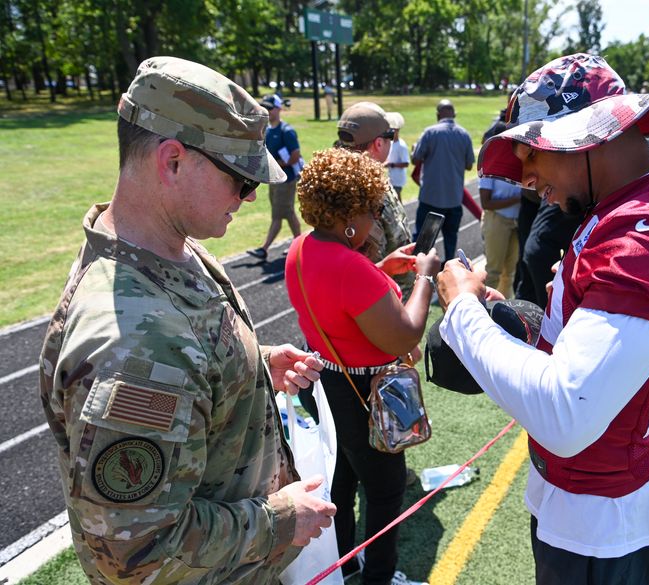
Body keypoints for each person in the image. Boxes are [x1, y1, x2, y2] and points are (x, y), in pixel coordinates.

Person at [38, 56, 334, 585]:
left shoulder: (165, 246)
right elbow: (135, 554)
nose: (250, 197)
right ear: (172, 161)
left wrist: (254, 365)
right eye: (242, 180)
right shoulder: (138, 350)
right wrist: (280, 522)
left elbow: (188, 361)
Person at [437, 53, 649, 585]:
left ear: (584, 139)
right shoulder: (625, 200)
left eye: (532, 154)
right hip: (585, 502)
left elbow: (567, 415)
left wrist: (462, 311)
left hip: (608, 521)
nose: (524, 177)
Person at [286, 148, 440, 585]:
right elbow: (405, 334)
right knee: (386, 490)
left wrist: (379, 269)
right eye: (373, 210)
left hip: (326, 384)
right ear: (351, 214)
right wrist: (425, 275)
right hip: (365, 395)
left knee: (343, 481)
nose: (376, 219)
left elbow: (337, 296)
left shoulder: (302, 246)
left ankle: (345, 565)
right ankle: (379, 577)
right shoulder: (352, 267)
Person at [336, 101, 414, 297]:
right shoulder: (366, 191)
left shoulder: (336, 179)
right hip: (382, 301)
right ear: (378, 143)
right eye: (389, 137)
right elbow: (368, 264)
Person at [412, 98, 475, 263]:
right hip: (453, 199)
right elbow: (469, 166)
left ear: (437, 115)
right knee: (450, 240)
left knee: (422, 243)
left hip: (431, 199)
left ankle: (418, 275)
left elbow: (416, 159)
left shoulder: (429, 132)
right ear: (454, 114)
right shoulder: (464, 134)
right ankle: (448, 269)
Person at [247, 94, 302, 260]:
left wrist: (276, 164)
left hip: (286, 179)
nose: (267, 111)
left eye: (270, 108)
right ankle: (298, 245)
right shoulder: (268, 130)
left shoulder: (287, 131)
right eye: (265, 108)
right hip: (274, 179)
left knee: (278, 215)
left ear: (278, 109)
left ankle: (264, 249)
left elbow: (295, 156)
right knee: (288, 212)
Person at [479, 175, 521, 298]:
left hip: (517, 221)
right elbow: (485, 203)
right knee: (493, 271)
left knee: (509, 273)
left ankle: (502, 310)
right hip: (496, 219)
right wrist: (517, 199)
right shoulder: (491, 162)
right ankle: (483, 309)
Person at [384, 111, 411, 199]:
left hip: (398, 179)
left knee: (397, 200)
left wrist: (391, 164)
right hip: (391, 178)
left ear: (397, 131)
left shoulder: (402, 145)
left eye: (393, 130)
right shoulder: (391, 143)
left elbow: (406, 163)